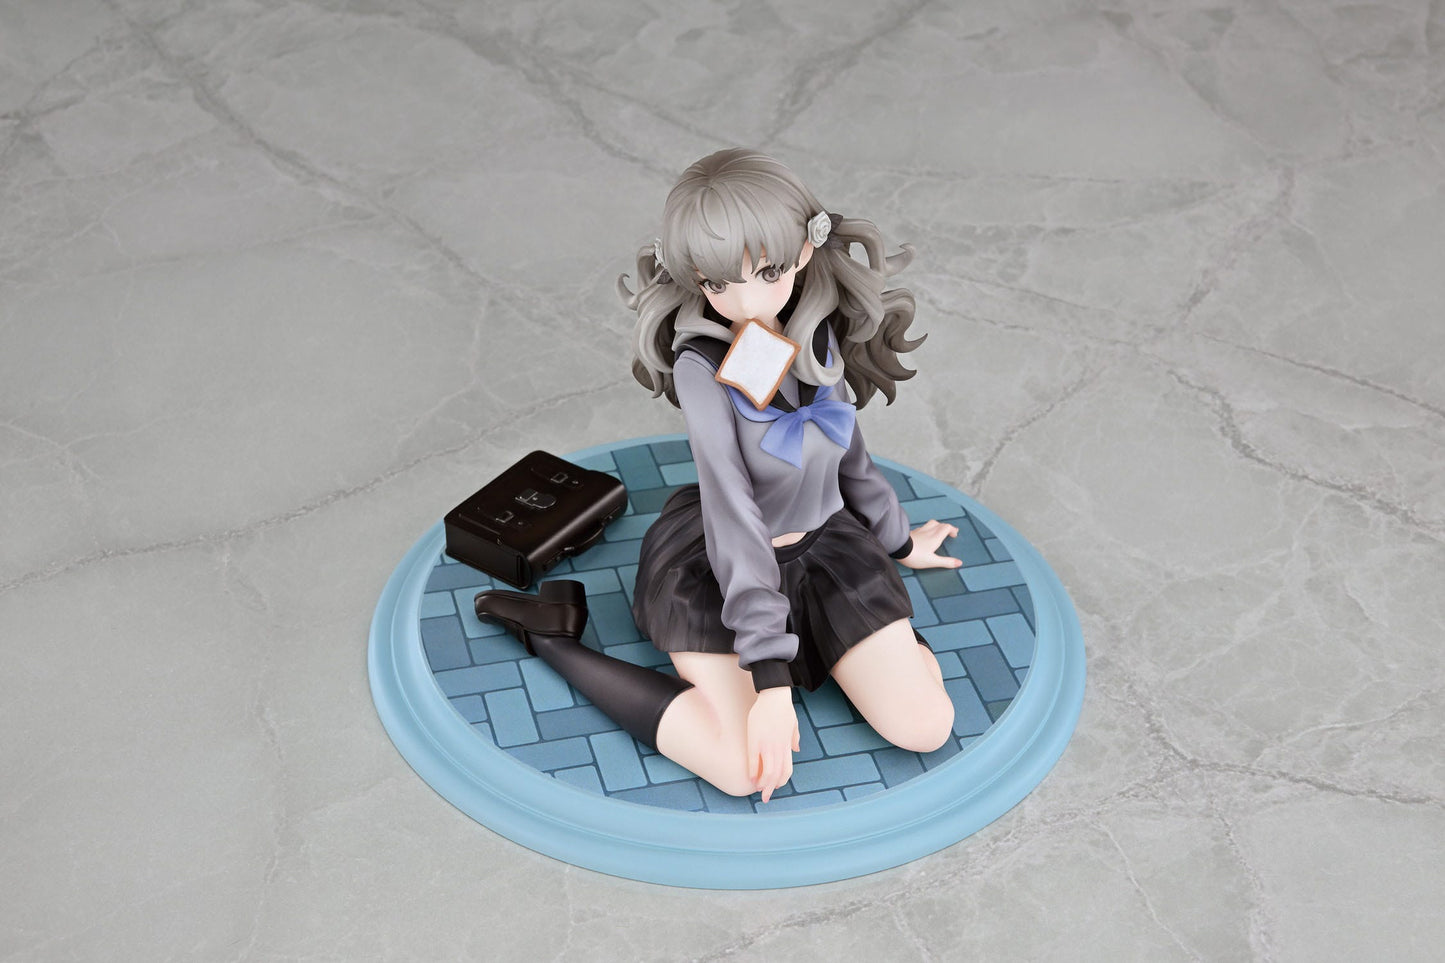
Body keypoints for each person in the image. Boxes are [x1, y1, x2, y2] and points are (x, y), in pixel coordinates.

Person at [475, 148, 959, 803]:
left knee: (925, 727)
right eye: (717, 283)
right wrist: (771, 681)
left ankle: (848, 644)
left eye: (767, 271)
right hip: (720, 568)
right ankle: (552, 637)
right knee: (743, 769)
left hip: (829, 555)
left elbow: (850, 455)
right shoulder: (701, 366)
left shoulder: (817, 333)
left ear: (805, 249)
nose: (746, 301)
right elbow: (733, 511)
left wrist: (898, 541)